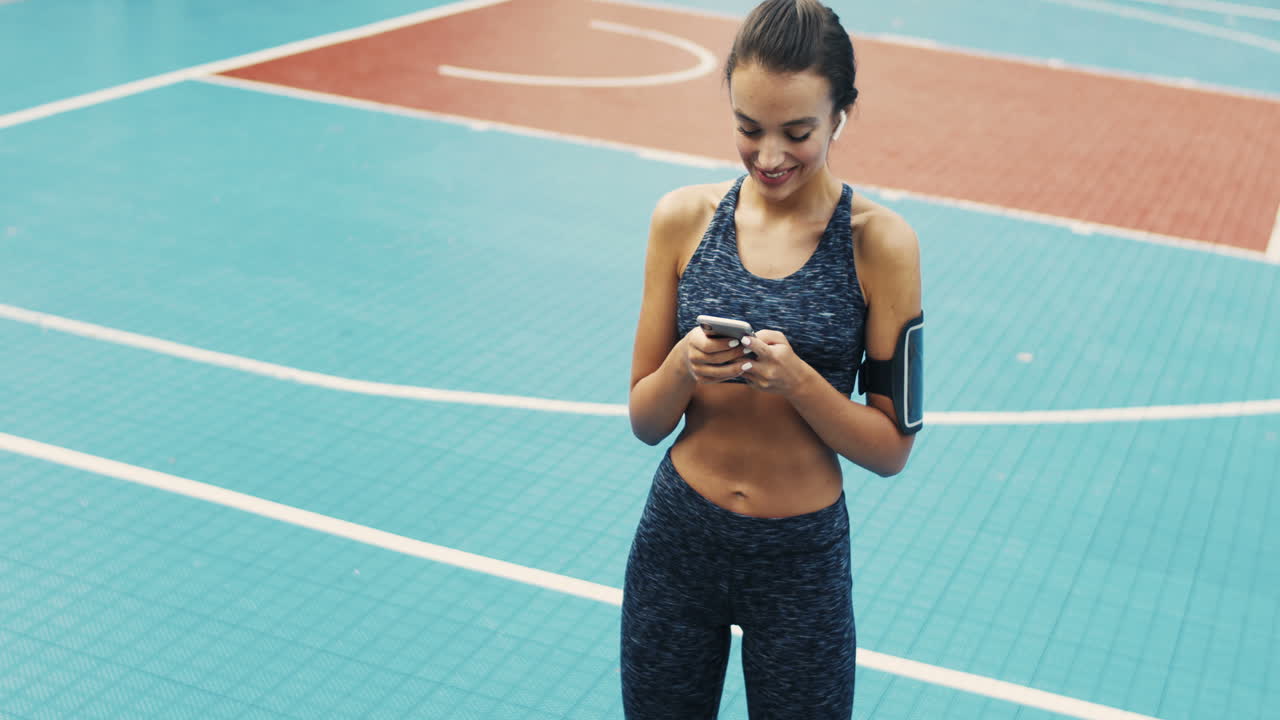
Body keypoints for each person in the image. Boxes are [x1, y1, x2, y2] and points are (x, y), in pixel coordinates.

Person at [620, 0, 924, 717]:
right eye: (748, 128)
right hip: (679, 541)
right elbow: (644, 419)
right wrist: (683, 366)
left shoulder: (881, 245)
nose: (769, 156)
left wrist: (801, 384)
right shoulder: (681, 220)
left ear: (841, 114)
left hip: (800, 563)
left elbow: (890, 450)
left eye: (797, 132)